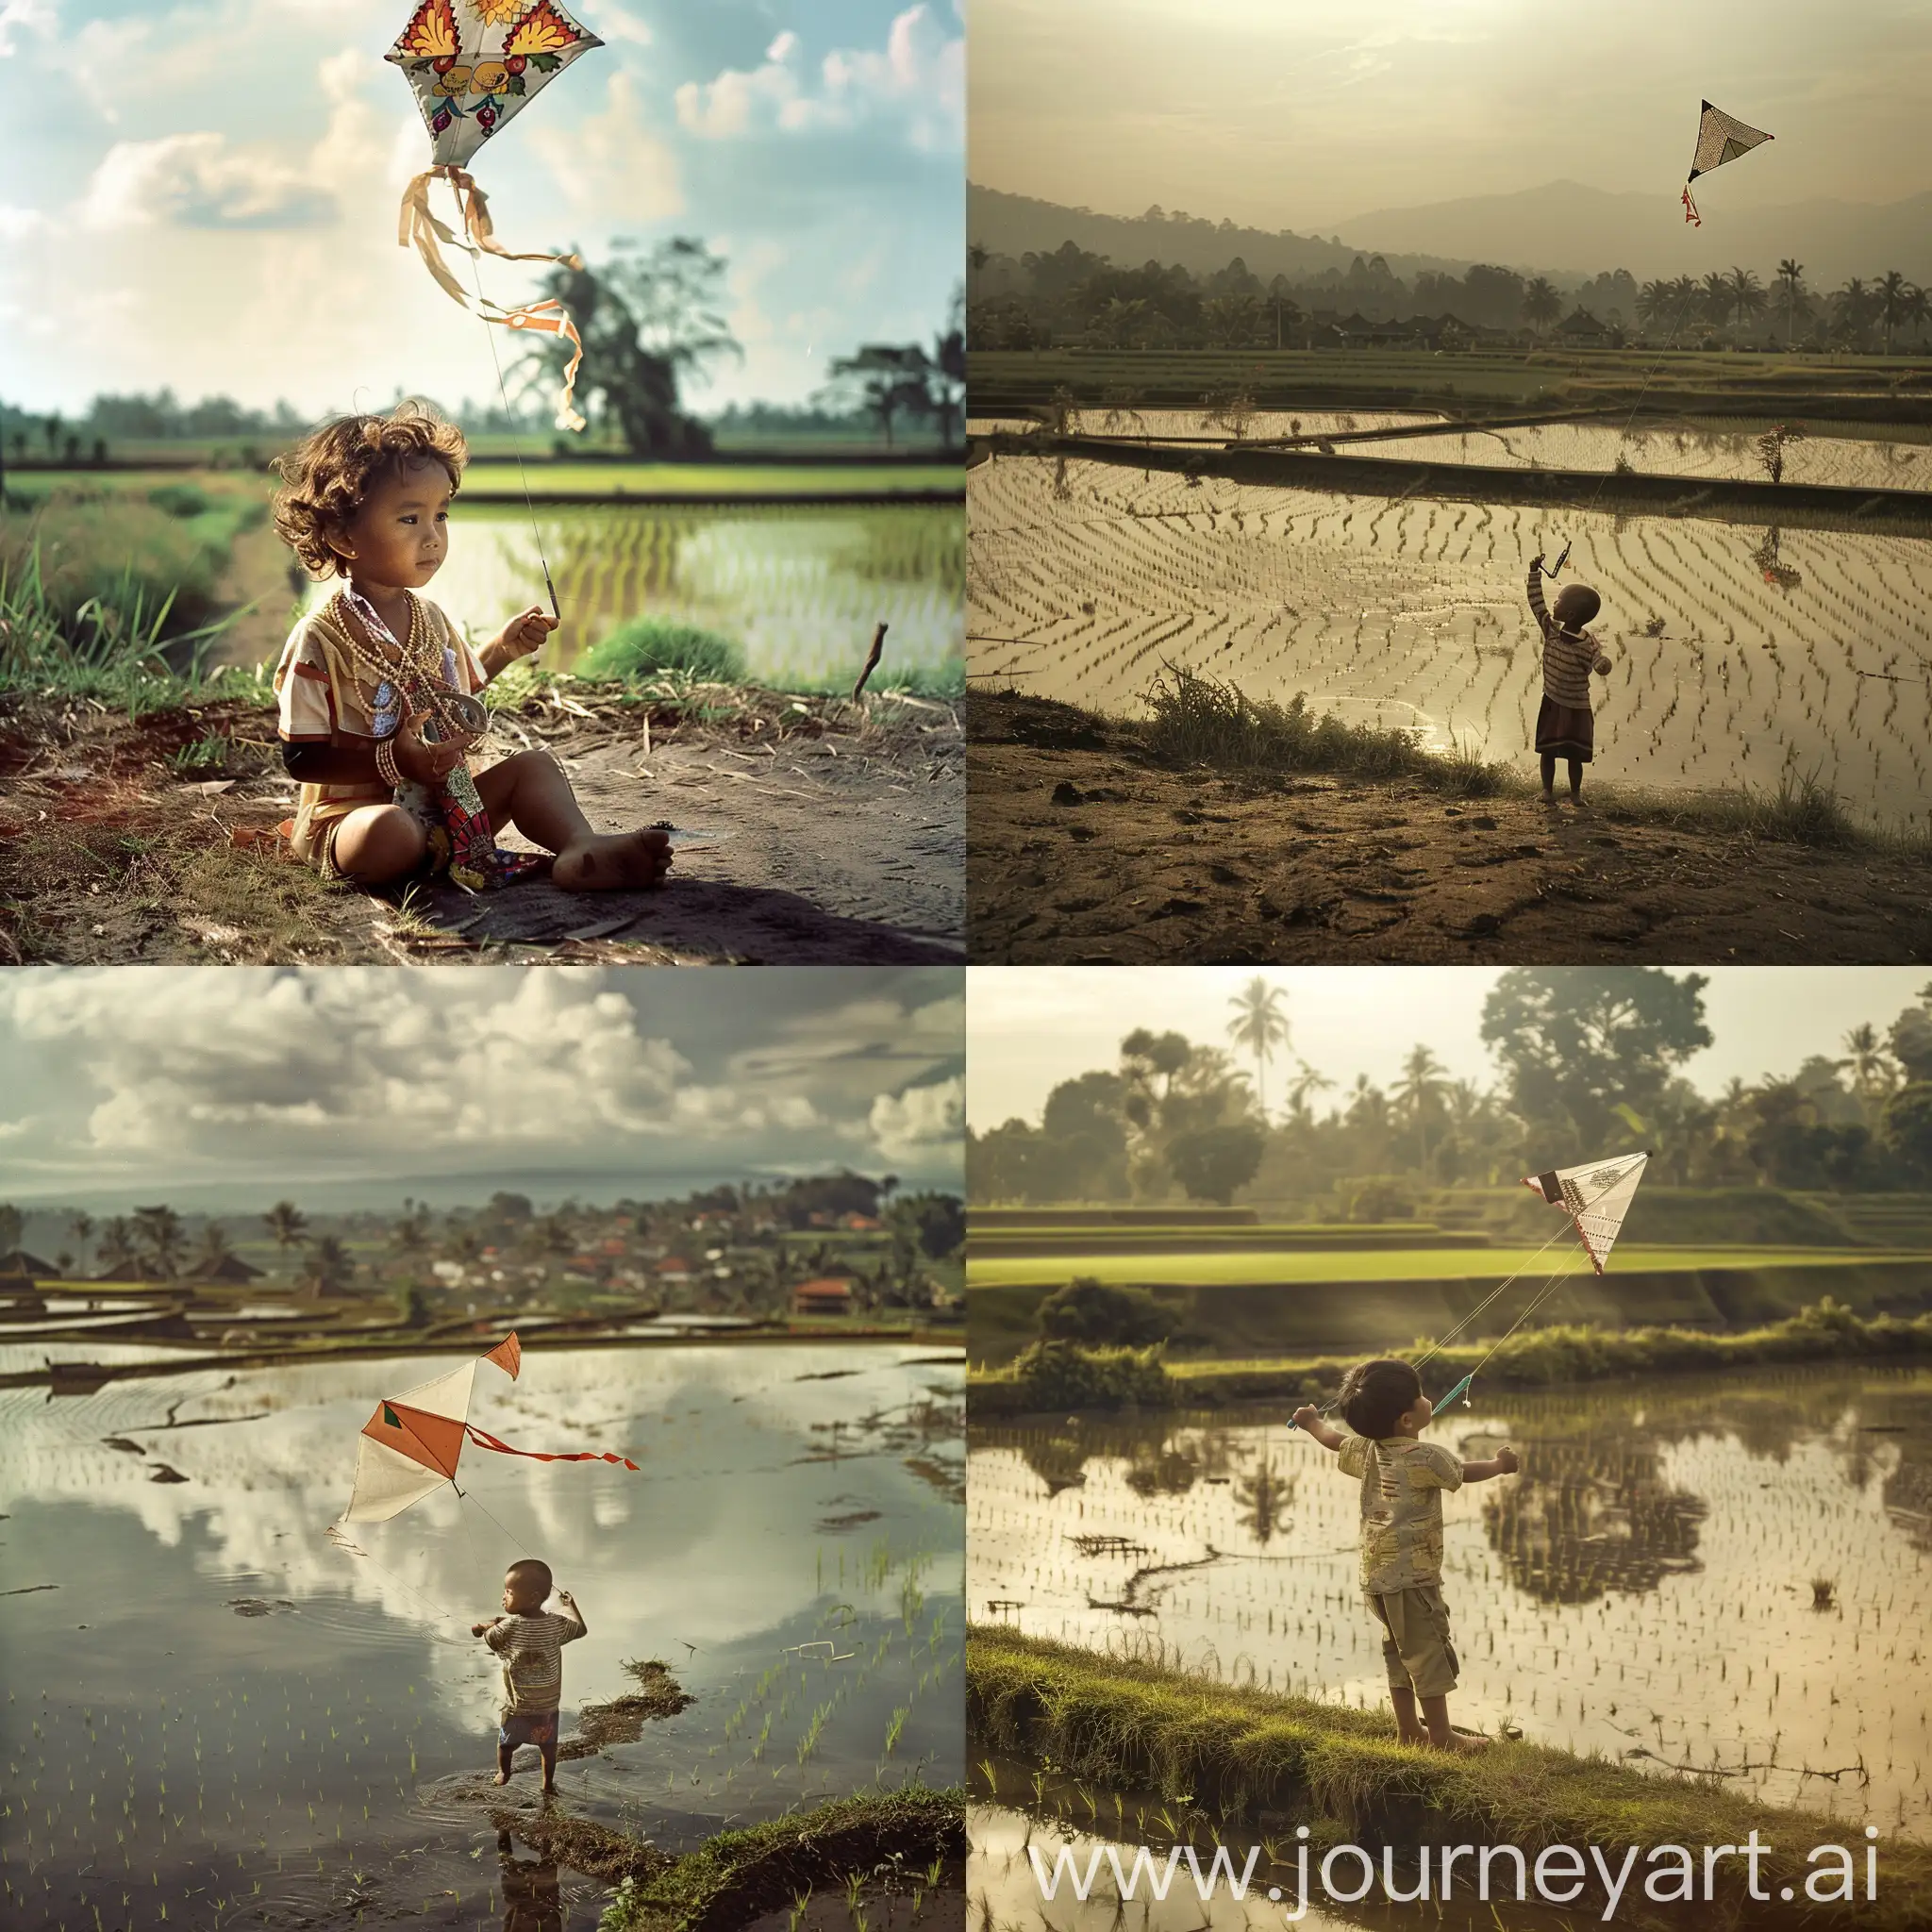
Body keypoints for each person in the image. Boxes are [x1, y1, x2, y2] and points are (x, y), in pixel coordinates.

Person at [270, 402, 673, 891]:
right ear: (341, 533)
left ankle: (580, 847)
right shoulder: (320, 638)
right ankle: (417, 854)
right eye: (409, 520)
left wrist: (503, 648)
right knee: (389, 831)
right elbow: (301, 758)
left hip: (447, 805)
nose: (433, 537)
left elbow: (456, 693)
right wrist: (395, 760)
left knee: (535, 767)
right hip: (353, 817)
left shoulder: (431, 620)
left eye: (440, 516)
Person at [1293, 1357, 1519, 1753]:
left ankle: (1409, 1731)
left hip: (1377, 1577)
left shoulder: (1366, 1449)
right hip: (1413, 1577)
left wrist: (1312, 1421)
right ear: (1407, 1420)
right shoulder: (1426, 1456)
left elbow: (1333, 1440)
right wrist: (1501, 1465)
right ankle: (1442, 1737)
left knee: (1399, 1651)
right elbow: (1464, 1472)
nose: (1427, 1398)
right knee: (1428, 1651)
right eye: (1419, 1396)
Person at [472, 1559, 586, 1795]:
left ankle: (504, 1773)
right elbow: (580, 1629)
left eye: (509, 1592)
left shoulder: (509, 1628)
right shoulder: (556, 1624)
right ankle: (547, 1784)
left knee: (506, 1744)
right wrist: (571, 1606)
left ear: (533, 1598)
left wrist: (485, 1626)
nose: (504, 1596)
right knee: (548, 1747)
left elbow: (490, 1638)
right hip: (548, 1706)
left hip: (518, 1706)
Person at [1526, 553, 1613, 806]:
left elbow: (1599, 660)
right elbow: (1537, 604)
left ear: (1571, 613)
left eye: (1559, 601)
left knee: (1575, 754)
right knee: (1547, 750)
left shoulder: (1588, 642)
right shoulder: (1551, 629)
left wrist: (1602, 665)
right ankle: (1547, 791)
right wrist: (1534, 573)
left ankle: (1575, 794)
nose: (1554, 604)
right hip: (1553, 700)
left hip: (1576, 706)